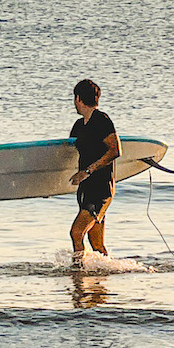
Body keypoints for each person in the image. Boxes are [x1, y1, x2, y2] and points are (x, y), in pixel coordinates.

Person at [68, 78, 120, 268]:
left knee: (76, 232)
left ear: (79, 98)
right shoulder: (78, 126)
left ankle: (78, 272)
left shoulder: (102, 120)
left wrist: (88, 171)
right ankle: (105, 275)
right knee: (96, 244)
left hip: (101, 189)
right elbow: (68, 155)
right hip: (86, 189)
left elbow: (115, 150)